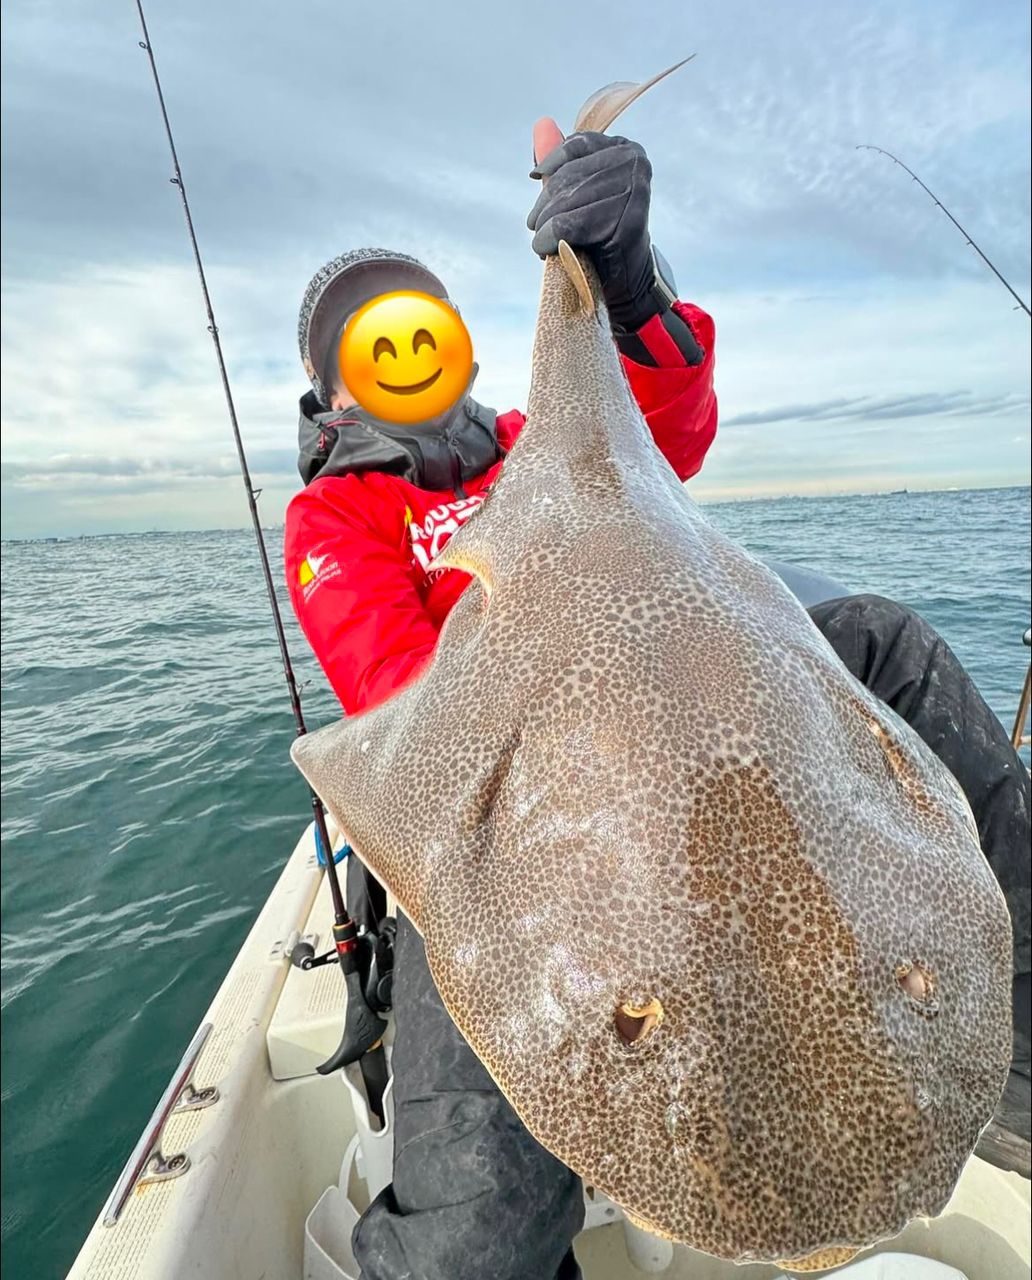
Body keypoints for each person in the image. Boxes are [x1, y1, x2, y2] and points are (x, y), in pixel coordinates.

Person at [285, 122, 1030, 1280]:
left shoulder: (536, 441)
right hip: (500, 789)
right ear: (334, 379)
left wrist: (633, 287)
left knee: (885, 639)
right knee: (479, 1233)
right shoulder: (338, 519)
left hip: (707, 690)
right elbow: (396, 693)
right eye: (374, 344)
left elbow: (669, 430)